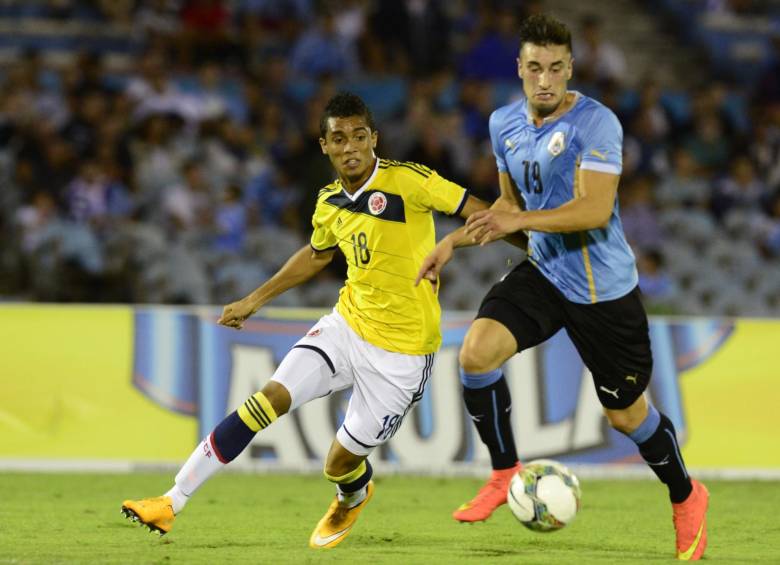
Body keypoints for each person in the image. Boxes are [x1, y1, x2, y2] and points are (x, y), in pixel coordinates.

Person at [121, 92, 487, 549]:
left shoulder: (409, 181)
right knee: (268, 399)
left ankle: (352, 493)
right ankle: (171, 501)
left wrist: (497, 246)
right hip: (347, 327)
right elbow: (316, 256)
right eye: (339, 138)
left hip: (403, 353)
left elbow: (485, 215)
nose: (350, 146)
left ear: (374, 138)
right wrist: (254, 300)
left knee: (338, 464)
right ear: (325, 147)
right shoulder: (329, 202)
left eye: (359, 136)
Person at [416, 14, 709, 561]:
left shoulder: (597, 125)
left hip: (603, 289)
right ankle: (505, 473)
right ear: (520, 70)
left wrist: (519, 223)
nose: (545, 79)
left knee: (626, 415)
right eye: (534, 68)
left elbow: (595, 211)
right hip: (546, 272)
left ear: (571, 68)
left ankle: (687, 494)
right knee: (476, 354)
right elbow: (508, 208)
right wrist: (453, 242)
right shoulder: (503, 122)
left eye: (555, 68)